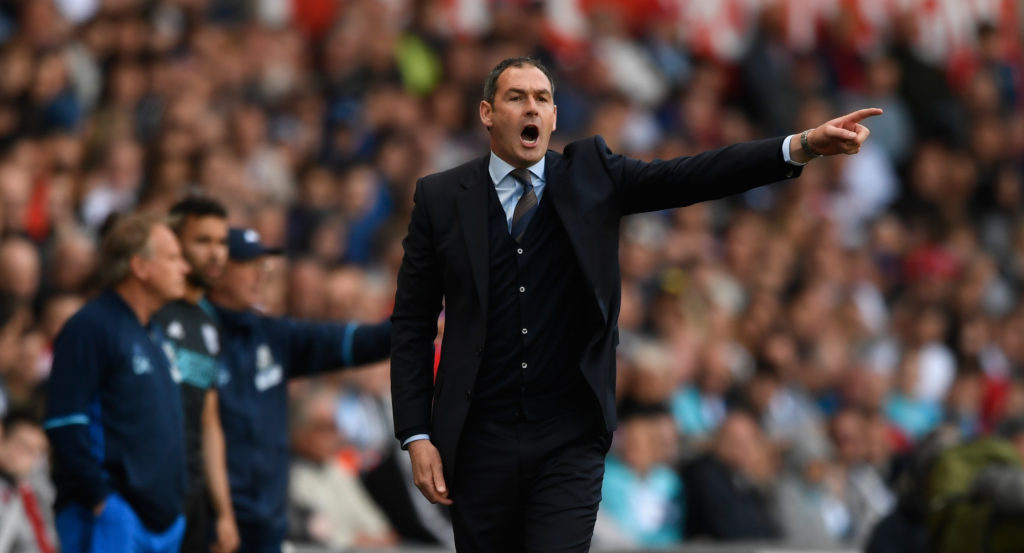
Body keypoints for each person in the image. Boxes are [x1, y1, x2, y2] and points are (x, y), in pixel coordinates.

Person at [390, 55, 881, 552]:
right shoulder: (442, 197)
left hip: (568, 438)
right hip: (479, 442)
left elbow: (695, 175)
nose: (530, 108)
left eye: (541, 98)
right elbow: (411, 323)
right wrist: (416, 434)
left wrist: (799, 147)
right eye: (516, 97)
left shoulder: (592, 177)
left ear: (555, 117)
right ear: (487, 113)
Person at [208, 227, 392, 553]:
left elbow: (351, 341)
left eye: (263, 267)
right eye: (249, 266)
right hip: (215, 522)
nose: (260, 276)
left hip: (267, 521)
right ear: (218, 269)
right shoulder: (193, 336)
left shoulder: (273, 335)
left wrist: (416, 329)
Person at [44, 213, 190, 553]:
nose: (184, 267)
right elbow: (64, 422)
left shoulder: (154, 333)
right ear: (140, 267)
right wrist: (101, 501)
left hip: (162, 521)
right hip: (111, 518)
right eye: (172, 257)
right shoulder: (91, 327)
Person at [151, 196, 238, 553]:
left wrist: (224, 512)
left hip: (193, 495)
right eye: (203, 241)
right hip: (149, 493)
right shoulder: (151, 313)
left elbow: (210, 421)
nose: (216, 253)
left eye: (221, 242)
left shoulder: (208, 323)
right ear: (175, 242)